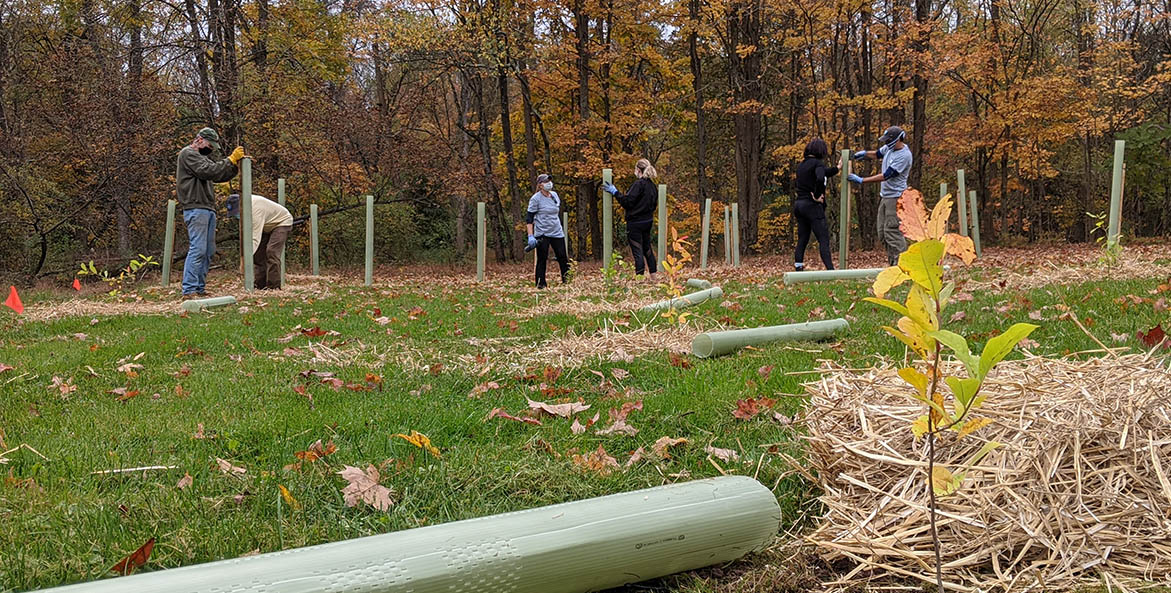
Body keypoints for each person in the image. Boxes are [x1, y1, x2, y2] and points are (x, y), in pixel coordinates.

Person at [175, 127, 244, 298]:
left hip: (206, 207)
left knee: (208, 251)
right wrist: (230, 159)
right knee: (198, 249)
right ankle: (189, 290)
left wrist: (234, 165)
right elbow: (210, 171)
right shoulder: (188, 154)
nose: (211, 149)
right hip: (196, 207)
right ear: (199, 140)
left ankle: (199, 288)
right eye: (209, 145)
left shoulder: (201, 158)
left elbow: (218, 175)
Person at [849, 125, 912, 265]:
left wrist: (862, 180)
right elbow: (877, 153)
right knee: (882, 233)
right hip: (885, 196)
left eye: (888, 140)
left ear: (898, 139)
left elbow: (887, 175)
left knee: (892, 231)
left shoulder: (904, 156)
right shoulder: (890, 148)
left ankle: (904, 265)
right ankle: (893, 263)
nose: (886, 143)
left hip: (896, 198)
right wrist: (864, 154)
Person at [600, 158, 658, 279]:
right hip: (648, 221)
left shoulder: (638, 184)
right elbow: (654, 205)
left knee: (637, 250)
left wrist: (615, 192)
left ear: (638, 169)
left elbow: (628, 202)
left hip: (635, 222)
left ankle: (640, 278)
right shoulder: (652, 186)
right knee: (647, 248)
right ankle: (654, 276)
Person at [226, 193, 293, 290]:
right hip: (267, 225)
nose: (237, 215)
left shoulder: (255, 209)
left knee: (271, 251)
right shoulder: (246, 209)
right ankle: (260, 285)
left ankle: (274, 287)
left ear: (242, 205)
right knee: (258, 254)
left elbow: (254, 238)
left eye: (237, 212)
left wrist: (246, 260)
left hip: (282, 222)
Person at [793, 138, 839, 271]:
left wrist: (837, 168)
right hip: (812, 206)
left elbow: (824, 173)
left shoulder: (802, 165)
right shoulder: (818, 164)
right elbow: (820, 177)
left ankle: (798, 267)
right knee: (823, 238)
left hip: (799, 205)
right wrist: (818, 196)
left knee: (803, 238)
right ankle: (830, 270)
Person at [526, 174, 570, 289]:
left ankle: (567, 281)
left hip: (556, 231)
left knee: (562, 257)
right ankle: (541, 284)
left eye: (549, 181)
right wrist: (531, 236)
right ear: (540, 185)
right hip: (542, 233)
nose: (549, 183)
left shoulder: (554, 195)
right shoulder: (535, 199)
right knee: (542, 258)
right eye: (546, 181)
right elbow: (529, 218)